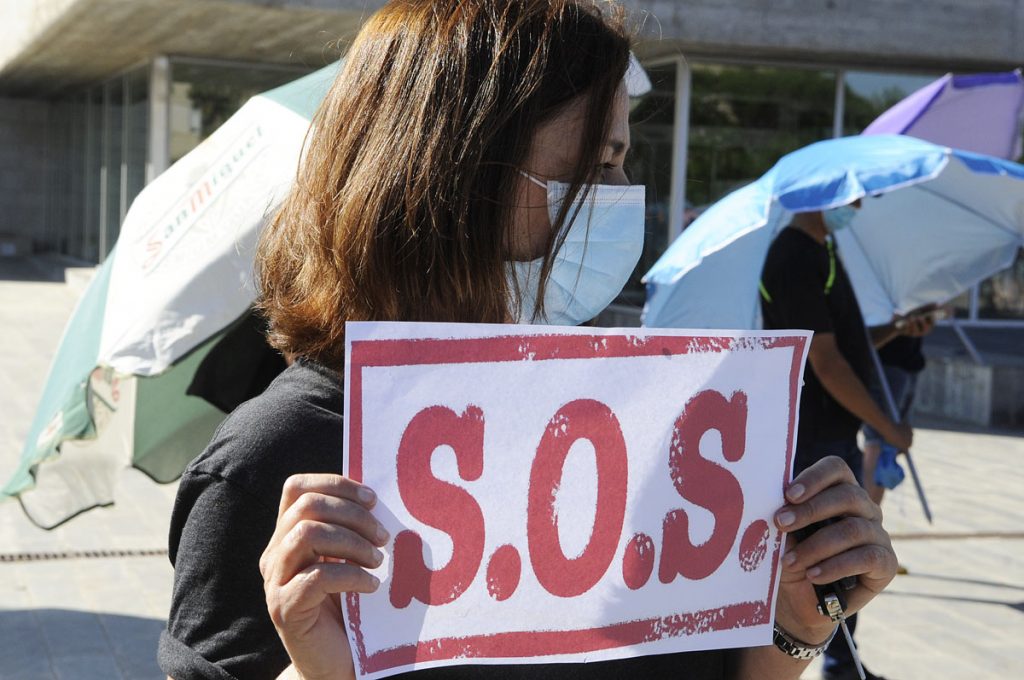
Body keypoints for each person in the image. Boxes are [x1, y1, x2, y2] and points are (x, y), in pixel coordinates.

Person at [159, 3, 898, 679]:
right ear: (458, 172)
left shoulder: (648, 426)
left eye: (621, 159)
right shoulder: (276, 468)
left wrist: (794, 626)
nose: (623, 189)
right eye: (598, 163)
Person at [759, 200, 924, 680]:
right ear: (817, 198)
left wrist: (899, 328)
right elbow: (826, 362)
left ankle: (841, 659)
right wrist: (887, 428)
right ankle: (835, 664)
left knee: (842, 562)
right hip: (811, 444)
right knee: (825, 565)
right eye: (847, 198)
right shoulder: (793, 256)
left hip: (831, 439)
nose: (856, 206)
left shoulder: (823, 252)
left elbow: (847, 343)